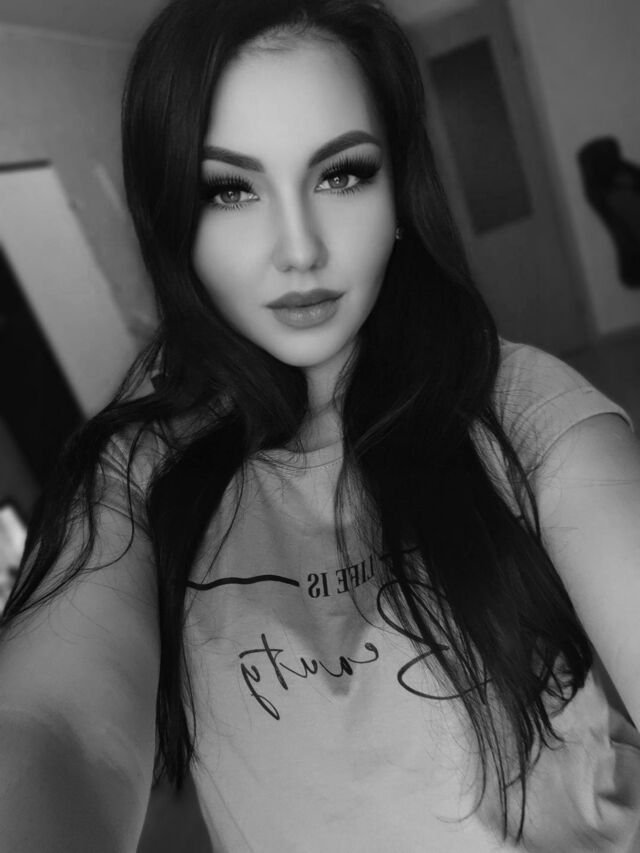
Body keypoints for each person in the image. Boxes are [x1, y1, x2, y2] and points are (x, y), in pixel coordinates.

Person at [1, 0, 639, 850]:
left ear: (399, 190)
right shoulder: (138, 474)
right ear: (173, 221)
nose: (298, 248)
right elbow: (60, 731)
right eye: (230, 189)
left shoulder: (527, 410)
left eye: (341, 174)